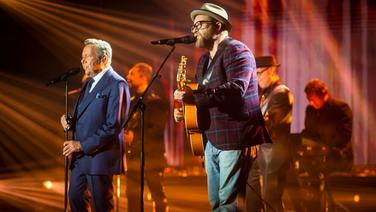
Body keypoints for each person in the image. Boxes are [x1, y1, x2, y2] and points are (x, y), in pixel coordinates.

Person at [174, 3, 269, 211]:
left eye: (199, 25)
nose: (195, 30)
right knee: (216, 202)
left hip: (235, 135)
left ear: (217, 26)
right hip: (213, 137)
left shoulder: (237, 50)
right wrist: (186, 110)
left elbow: (235, 89)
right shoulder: (204, 60)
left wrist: (194, 98)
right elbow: (202, 96)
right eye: (193, 26)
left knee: (228, 201)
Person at [60, 38, 130, 212]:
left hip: (100, 156)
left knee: (101, 206)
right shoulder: (88, 83)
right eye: (82, 57)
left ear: (104, 59)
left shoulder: (117, 84)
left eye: (87, 56)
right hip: (80, 158)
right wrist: (69, 122)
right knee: (75, 198)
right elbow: (85, 116)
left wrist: (81, 144)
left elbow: (113, 125)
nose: (82, 61)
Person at [245, 56, 293, 212]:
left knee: (270, 198)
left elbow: (270, 123)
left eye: (259, 73)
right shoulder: (262, 94)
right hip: (260, 153)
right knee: (252, 197)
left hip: (275, 154)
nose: (257, 77)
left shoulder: (282, 93)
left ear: (272, 70)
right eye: (255, 74)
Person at [125, 63, 169, 212]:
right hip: (133, 157)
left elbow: (157, 130)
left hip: (152, 157)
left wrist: (134, 136)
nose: (127, 77)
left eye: (131, 74)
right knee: (132, 196)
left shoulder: (156, 102)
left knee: (157, 196)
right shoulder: (131, 102)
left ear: (143, 77)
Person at [301, 79, 353, 171]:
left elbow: (345, 135)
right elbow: (309, 132)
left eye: (312, 99)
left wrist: (325, 147)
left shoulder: (341, 108)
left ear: (323, 94)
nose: (311, 103)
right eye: (309, 99)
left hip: (339, 159)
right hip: (318, 160)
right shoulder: (310, 110)